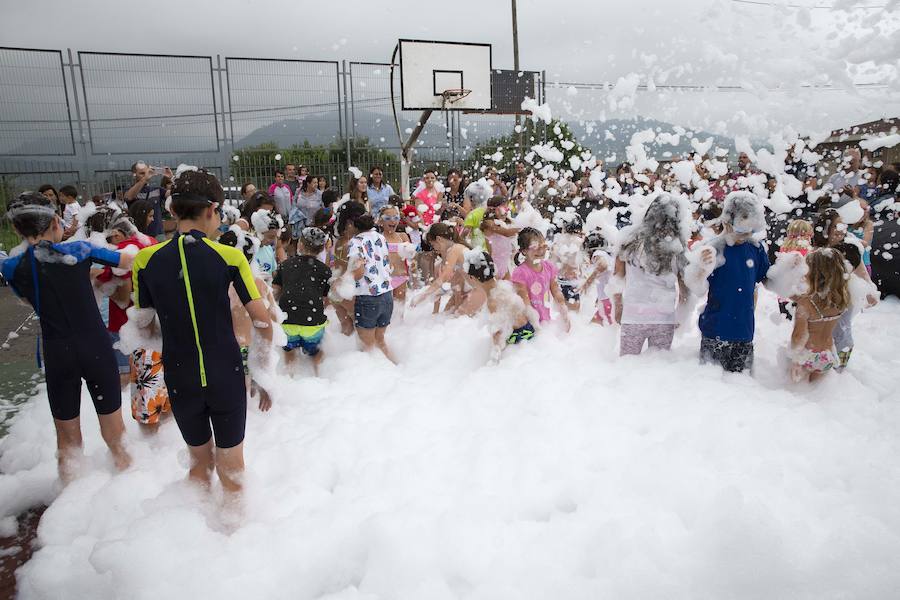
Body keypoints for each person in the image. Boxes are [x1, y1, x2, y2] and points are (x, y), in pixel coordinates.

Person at [131, 169, 275, 495]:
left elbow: (143, 327)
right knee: (232, 466)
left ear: (171, 210)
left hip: (181, 379)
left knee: (199, 464)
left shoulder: (145, 260)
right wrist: (263, 373)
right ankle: (233, 535)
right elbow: (262, 321)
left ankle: (197, 532)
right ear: (212, 209)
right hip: (225, 373)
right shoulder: (229, 256)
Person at [0, 193, 133, 482]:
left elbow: (30, 296)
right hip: (95, 348)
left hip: (58, 352)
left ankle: (70, 501)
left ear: (16, 230)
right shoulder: (81, 250)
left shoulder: (11, 266)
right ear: (54, 220)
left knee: (68, 441)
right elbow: (128, 260)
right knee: (115, 435)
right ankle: (126, 490)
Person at [697, 191, 771, 373]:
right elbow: (696, 286)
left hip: (744, 333)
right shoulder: (714, 249)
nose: (745, 236)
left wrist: (789, 271)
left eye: (751, 231)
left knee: (742, 388)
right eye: (741, 230)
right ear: (726, 222)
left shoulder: (755, 248)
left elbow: (768, 278)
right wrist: (700, 267)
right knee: (711, 386)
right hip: (715, 331)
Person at [612, 194, 689, 355]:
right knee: (657, 371)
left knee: (627, 368)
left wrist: (618, 307)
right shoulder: (677, 247)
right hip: (664, 317)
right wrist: (681, 315)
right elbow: (684, 290)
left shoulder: (630, 242)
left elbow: (617, 278)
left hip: (634, 315)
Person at [810, 209, 878, 369]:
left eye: (842, 224)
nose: (841, 228)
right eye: (836, 226)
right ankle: (819, 371)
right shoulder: (817, 251)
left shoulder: (850, 249)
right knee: (820, 338)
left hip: (842, 301)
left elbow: (862, 273)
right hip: (819, 304)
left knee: (841, 334)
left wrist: (870, 292)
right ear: (826, 229)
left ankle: (838, 370)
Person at [272, 227, 331, 375]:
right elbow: (326, 298)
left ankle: (290, 379)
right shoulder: (324, 270)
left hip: (287, 321)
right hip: (312, 324)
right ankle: (319, 376)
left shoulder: (285, 265)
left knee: (290, 352)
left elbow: (275, 291)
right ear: (322, 248)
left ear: (300, 245)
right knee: (316, 353)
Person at [789, 248, 851, 383]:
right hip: (828, 355)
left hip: (808, 356)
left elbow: (798, 336)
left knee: (798, 392)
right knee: (816, 392)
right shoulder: (841, 300)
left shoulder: (806, 304)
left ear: (814, 274)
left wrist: (795, 359)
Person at [464, 251, 535, 361]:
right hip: (528, 330)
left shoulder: (492, 301)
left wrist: (495, 356)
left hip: (518, 337)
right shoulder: (504, 285)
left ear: (472, 278)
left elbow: (497, 332)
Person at [346, 212, 397, 363]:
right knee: (380, 341)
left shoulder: (356, 242)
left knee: (367, 348)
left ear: (354, 226)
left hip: (368, 297)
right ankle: (398, 369)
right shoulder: (380, 237)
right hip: (387, 295)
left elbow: (359, 271)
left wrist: (342, 282)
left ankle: (376, 382)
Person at [511, 228, 570, 330]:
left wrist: (563, 311)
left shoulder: (549, 267)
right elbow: (524, 301)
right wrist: (533, 324)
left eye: (543, 246)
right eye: (535, 247)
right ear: (524, 251)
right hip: (528, 324)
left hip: (545, 322)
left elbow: (556, 291)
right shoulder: (520, 273)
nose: (541, 251)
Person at [412, 222, 471, 314]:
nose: (434, 249)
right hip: (466, 290)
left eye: (433, 245)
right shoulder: (441, 262)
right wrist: (435, 312)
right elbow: (439, 290)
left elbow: (446, 278)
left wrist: (423, 296)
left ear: (439, 239)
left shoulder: (455, 250)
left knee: (456, 315)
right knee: (447, 312)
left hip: (474, 290)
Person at [775, 219, 813, 320]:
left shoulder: (784, 248)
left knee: (787, 323)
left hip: (784, 295)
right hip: (800, 295)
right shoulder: (807, 251)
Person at [378, 205, 413, 310]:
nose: (392, 221)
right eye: (388, 218)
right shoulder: (378, 238)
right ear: (380, 221)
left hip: (400, 277)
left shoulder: (402, 236)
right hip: (383, 279)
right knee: (385, 311)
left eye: (395, 217)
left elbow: (411, 258)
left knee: (399, 311)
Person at [124, 162, 171, 239]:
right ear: (134, 174)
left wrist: (172, 178)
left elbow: (175, 193)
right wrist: (144, 179)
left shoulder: (157, 190)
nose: (145, 175)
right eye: (142, 173)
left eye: (146, 173)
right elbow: (129, 197)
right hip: (138, 235)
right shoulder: (129, 190)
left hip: (158, 234)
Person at [551, 214, 586, 312]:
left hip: (560, 280)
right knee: (574, 310)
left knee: (559, 310)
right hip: (572, 280)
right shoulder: (579, 241)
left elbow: (552, 262)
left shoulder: (558, 241)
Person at [580, 230, 614, 325]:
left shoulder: (598, 253)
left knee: (590, 331)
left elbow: (602, 265)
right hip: (611, 300)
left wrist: (587, 283)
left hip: (607, 302)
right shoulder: (609, 255)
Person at [481, 196, 518, 279]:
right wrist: (524, 229)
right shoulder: (488, 223)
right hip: (493, 265)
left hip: (505, 265)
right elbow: (506, 233)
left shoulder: (504, 223)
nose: (506, 211)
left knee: (509, 290)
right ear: (495, 209)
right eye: (504, 208)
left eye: (507, 209)